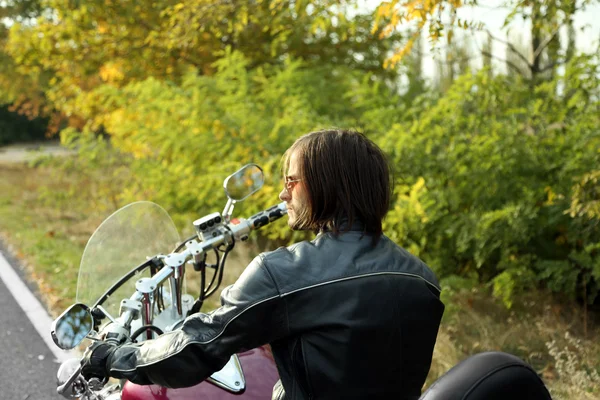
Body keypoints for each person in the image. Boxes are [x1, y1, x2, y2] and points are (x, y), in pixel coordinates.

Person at [82, 129, 444, 400]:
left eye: (291, 181)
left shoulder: (284, 272)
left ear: (325, 186)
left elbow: (198, 347)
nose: (283, 194)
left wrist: (116, 356)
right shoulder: (422, 277)